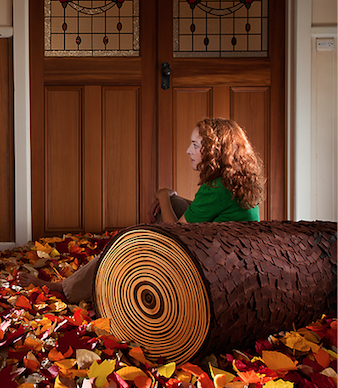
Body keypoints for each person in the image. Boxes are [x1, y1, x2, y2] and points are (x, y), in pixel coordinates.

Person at [17, 117, 265, 304]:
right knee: (175, 205)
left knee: (128, 244)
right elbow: (203, 216)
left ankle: (66, 287)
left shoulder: (216, 186)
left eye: (194, 145)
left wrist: (162, 196)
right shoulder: (230, 180)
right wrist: (172, 197)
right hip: (228, 250)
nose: (188, 151)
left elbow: (175, 229)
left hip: (218, 265)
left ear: (213, 151)